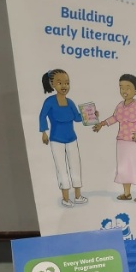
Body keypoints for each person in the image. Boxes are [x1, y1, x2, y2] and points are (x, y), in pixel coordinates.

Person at [94, 74, 136, 201]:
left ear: (135, 91)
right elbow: (115, 118)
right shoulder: (120, 106)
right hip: (122, 141)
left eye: (128, 87)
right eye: (121, 87)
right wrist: (102, 124)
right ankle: (127, 193)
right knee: (124, 168)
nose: (124, 90)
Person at [39, 68, 88, 207]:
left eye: (67, 83)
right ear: (52, 84)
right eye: (60, 83)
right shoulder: (49, 101)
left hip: (72, 138)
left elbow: (77, 118)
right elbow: (42, 116)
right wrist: (44, 132)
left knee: (75, 166)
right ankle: (66, 198)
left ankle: (78, 196)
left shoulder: (70, 102)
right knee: (61, 168)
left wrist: (90, 115)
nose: (64, 86)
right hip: (56, 140)